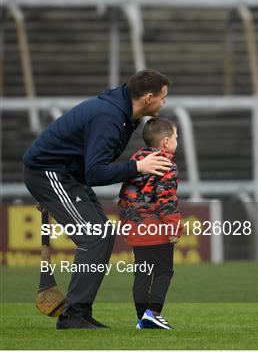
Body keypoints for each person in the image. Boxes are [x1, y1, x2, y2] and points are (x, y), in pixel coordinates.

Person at [23, 69, 173, 329]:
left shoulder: (125, 114)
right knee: (95, 236)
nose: (164, 102)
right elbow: (95, 172)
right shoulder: (110, 117)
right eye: (163, 97)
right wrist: (138, 167)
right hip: (49, 173)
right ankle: (73, 316)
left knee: (102, 235)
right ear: (148, 97)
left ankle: (78, 312)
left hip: (66, 175)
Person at [117, 117, 184, 330]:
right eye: (175, 137)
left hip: (135, 226)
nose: (177, 141)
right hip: (156, 228)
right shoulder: (166, 164)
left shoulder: (136, 160)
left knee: (142, 273)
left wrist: (127, 223)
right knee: (164, 271)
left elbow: (125, 195)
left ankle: (142, 318)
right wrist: (174, 226)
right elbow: (166, 199)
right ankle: (152, 314)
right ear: (165, 142)